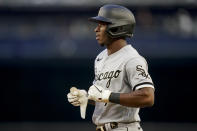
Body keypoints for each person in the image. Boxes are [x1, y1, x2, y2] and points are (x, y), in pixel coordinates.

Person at [67, 4, 155, 131]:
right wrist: (87, 97)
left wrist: (107, 96)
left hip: (124, 127)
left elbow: (148, 97)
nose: (96, 30)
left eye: (101, 25)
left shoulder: (132, 59)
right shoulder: (100, 58)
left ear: (117, 27)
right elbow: (102, 97)